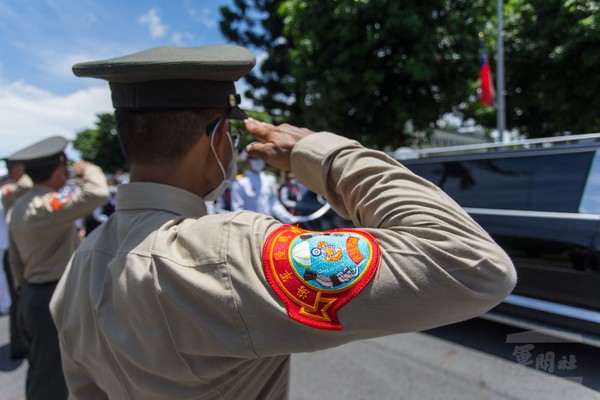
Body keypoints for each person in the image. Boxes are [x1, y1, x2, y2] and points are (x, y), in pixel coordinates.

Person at [49, 45, 516, 400]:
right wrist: (330, 156)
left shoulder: (79, 265)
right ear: (217, 138)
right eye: (228, 135)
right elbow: (470, 266)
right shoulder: (227, 252)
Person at [7, 136, 109, 400]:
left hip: (33, 294)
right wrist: (89, 171)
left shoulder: (19, 206)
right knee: (51, 380)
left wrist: (25, 291)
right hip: (51, 295)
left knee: (44, 371)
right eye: (65, 167)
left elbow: (15, 260)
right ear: (56, 171)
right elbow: (98, 193)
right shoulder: (45, 206)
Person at [0, 159, 32, 360]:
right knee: (18, 298)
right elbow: (26, 185)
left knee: (15, 299)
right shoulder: (5, 194)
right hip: (9, 251)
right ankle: (21, 345)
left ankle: (21, 343)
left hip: (10, 249)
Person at [231, 153, 297, 223]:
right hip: (250, 227)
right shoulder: (240, 183)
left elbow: (274, 204)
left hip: (268, 225)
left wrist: (289, 219)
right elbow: (237, 210)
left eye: (261, 158)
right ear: (248, 160)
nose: (259, 161)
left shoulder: (270, 180)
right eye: (255, 158)